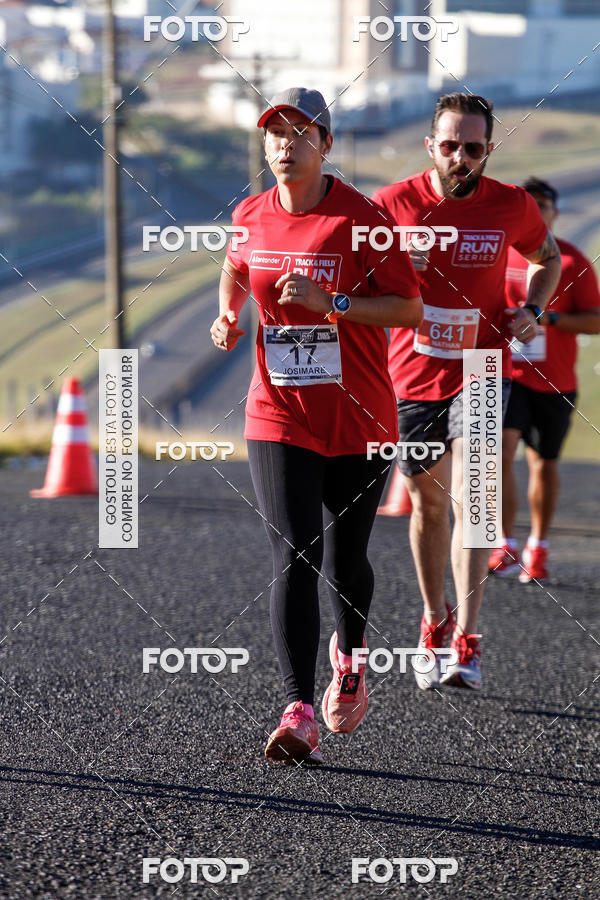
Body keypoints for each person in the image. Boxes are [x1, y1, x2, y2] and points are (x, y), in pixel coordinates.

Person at [210, 87, 422, 763]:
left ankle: (351, 659)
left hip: (360, 416)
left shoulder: (363, 220)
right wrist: (228, 312)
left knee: (346, 559)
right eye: (274, 133)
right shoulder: (250, 213)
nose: (284, 145)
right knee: (295, 554)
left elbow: (408, 311)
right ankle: (298, 707)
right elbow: (234, 266)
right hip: (278, 412)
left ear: (326, 145)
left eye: (300, 133)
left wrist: (334, 301)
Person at [372, 93, 561, 691]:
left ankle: (468, 638)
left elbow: (546, 257)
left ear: (488, 152)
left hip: (484, 368)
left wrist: (532, 307)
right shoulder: (391, 205)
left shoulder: (511, 205)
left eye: (473, 148)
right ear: (431, 146)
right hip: (413, 374)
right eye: (449, 145)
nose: (460, 157)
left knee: (474, 501)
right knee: (429, 505)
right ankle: (433, 620)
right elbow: (359, 274)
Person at [489, 177, 600, 583]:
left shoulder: (569, 261)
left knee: (543, 465)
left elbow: (595, 320)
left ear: (554, 212)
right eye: (528, 206)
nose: (536, 212)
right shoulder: (499, 256)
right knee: (499, 453)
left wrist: (549, 318)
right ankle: (505, 544)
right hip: (504, 373)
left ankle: (538, 545)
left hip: (554, 382)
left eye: (543, 206)